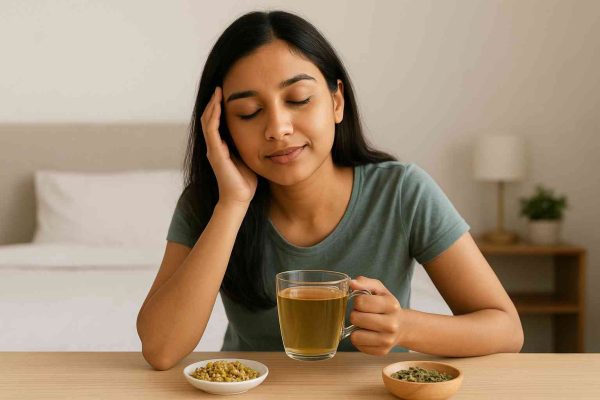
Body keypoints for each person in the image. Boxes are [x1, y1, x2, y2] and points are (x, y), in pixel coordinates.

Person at [136, 10, 523, 371]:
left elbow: (507, 330)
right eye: (249, 113)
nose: (278, 128)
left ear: (337, 101)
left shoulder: (402, 191)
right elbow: (161, 349)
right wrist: (233, 204)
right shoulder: (208, 204)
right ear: (222, 127)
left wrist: (404, 326)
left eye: (299, 100)